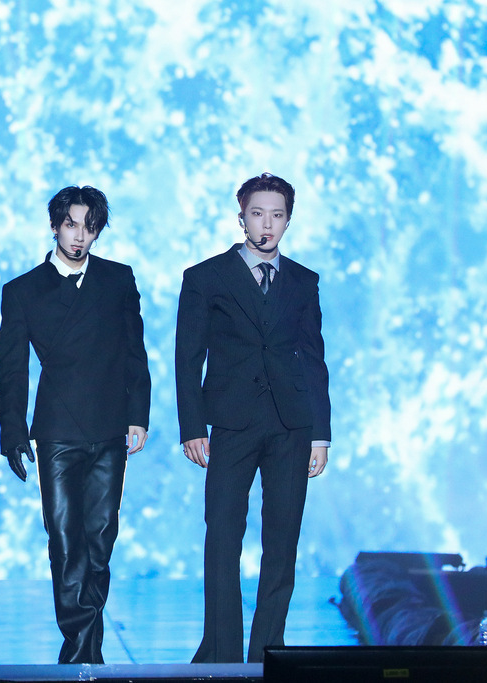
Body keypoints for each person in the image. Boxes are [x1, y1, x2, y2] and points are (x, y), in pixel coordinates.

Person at [175, 173, 330, 663]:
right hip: (231, 422)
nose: (266, 224)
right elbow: (187, 357)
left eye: (277, 215)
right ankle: (220, 652)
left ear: (288, 220)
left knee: (282, 541)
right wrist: (192, 427)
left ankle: (269, 651)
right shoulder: (205, 277)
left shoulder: (303, 281)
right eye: (257, 214)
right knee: (222, 535)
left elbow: (314, 358)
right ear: (241, 216)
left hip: (291, 425)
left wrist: (321, 434)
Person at [0, 186, 152, 664]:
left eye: (89, 227)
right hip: (57, 429)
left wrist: (138, 415)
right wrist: (13, 432)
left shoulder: (118, 279)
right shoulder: (23, 290)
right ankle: (83, 652)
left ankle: (83, 652)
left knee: (100, 540)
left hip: (109, 426)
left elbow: (134, 351)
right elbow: (12, 367)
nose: (79, 236)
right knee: (65, 542)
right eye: (70, 225)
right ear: (54, 226)